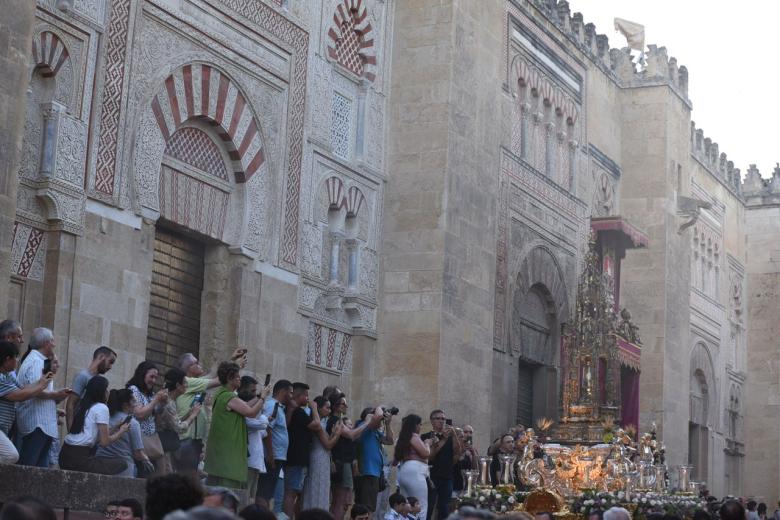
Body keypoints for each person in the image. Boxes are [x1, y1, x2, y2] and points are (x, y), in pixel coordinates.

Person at [173, 349, 247, 473]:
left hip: (193, 440)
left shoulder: (194, 382)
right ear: (188, 368)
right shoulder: (188, 382)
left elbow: (214, 374)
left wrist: (231, 359)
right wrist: (235, 368)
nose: (200, 364)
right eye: (196, 363)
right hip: (187, 439)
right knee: (187, 479)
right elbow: (218, 380)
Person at [204, 362, 268, 489]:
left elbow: (245, 406)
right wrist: (263, 399)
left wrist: (259, 396)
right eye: (237, 376)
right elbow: (250, 412)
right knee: (226, 491)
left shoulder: (223, 394)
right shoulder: (228, 396)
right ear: (229, 378)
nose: (240, 378)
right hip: (228, 452)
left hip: (223, 450)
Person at [15, 327, 72, 467]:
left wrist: (58, 396)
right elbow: (36, 391)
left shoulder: (40, 361)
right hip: (37, 424)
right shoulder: (36, 361)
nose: (54, 344)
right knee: (29, 468)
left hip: (42, 424)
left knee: (40, 469)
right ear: (46, 343)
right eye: (52, 340)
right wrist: (57, 394)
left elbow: (40, 390)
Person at [59, 375, 130, 474]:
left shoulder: (83, 406)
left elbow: (97, 437)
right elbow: (104, 442)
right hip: (79, 460)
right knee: (122, 463)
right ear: (102, 392)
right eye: (106, 388)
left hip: (64, 456)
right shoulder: (102, 408)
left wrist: (116, 428)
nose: (108, 391)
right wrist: (121, 432)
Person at [0, 341, 52, 464]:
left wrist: (41, 382)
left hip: (3, 429)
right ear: (7, 359)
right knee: (11, 455)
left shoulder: (7, 375)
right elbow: (19, 396)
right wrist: (41, 387)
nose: (17, 361)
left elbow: (22, 389)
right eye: (16, 357)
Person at [327, 393, 376, 520]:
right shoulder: (334, 420)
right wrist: (366, 422)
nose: (346, 405)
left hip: (345, 464)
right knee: (342, 501)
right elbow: (351, 435)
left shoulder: (336, 420)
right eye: (343, 403)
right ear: (335, 406)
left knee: (344, 501)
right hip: (342, 464)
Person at [284, 382, 326, 518]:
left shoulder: (296, 411)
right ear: (298, 395)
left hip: (298, 458)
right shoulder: (298, 411)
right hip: (296, 457)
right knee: (291, 493)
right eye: (306, 396)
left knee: (295, 493)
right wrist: (314, 408)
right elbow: (316, 425)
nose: (308, 399)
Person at [95, 388, 154, 477]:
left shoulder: (105, 417)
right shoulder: (133, 423)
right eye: (134, 401)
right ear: (126, 405)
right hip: (123, 467)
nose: (137, 403)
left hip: (100, 463)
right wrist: (147, 460)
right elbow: (138, 453)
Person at [157, 368, 203, 475]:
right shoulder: (168, 403)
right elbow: (178, 428)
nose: (187, 385)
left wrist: (188, 414)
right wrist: (192, 415)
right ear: (178, 385)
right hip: (162, 448)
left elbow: (172, 422)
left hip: (164, 446)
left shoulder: (170, 400)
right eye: (185, 382)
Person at [126, 361, 169, 475]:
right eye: (151, 377)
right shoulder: (133, 390)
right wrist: (156, 400)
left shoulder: (150, 394)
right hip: (139, 442)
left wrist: (162, 404)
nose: (154, 381)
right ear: (142, 374)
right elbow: (139, 414)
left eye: (156, 377)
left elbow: (155, 420)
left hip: (151, 441)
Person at [257, 379, 294, 507]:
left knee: (268, 492)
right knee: (264, 492)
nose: (291, 396)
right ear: (282, 392)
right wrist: (270, 455)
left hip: (277, 456)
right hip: (272, 457)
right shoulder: (272, 405)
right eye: (290, 393)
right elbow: (267, 428)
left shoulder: (280, 407)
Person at [303, 395, 343, 510]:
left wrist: (333, 434)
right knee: (317, 488)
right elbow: (328, 445)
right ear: (319, 408)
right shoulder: (317, 423)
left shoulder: (323, 421)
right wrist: (337, 434)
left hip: (323, 458)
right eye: (327, 407)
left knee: (323, 489)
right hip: (318, 458)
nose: (329, 410)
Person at [421, 410, 462, 520]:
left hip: (447, 476)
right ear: (432, 421)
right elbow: (430, 457)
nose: (441, 421)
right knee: (429, 507)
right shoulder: (426, 437)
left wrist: (454, 436)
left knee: (444, 508)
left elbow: (458, 453)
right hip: (431, 476)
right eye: (438, 418)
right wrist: (443, 438)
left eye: (443, 419)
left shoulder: (450, 438)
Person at [65, 346, 117, 429]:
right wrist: (71, 431)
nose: (110, 367)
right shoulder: (83, 376)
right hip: (81, 432)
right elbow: (70, 404)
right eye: (110, 362)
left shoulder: (100, 381)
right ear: (101, 357)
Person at [238, 376, 271, 503]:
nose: (255, 395)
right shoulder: (242, 413)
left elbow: (263, 433)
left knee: (251, 497)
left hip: (256, 461)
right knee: (244, 497)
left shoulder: (254, 413)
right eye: (252, 392)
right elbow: (261, 424)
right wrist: (263, 415)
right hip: (248, 462)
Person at [355, 406, 395, 511]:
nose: (381, 420)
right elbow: (376, 417)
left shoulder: (375, 432)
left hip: (374, 473)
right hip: (368, 473)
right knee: (368, 507)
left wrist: (388, 423)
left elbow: (390, 441)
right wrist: (379, 408)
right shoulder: (363, 425)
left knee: (368, 507)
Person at [394, 414, 431, 520]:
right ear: (415, 425)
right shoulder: (413, 436)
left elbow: (396, 460)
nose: (420, 427)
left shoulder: (403, 438)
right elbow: (425, 454)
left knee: (406, 506)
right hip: (415, 472)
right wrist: (427, 444)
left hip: (404, 471)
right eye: (420, 424)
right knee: (421, 505)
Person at [453, 426, 477, 496]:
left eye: (470, 432)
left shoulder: (472, 450)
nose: (468, 435)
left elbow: (475, 469)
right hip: (455, 486)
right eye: (465, 432)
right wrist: (461, 452)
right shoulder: (454, 448)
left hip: (467, 487)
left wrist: (473, 454)